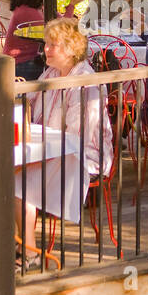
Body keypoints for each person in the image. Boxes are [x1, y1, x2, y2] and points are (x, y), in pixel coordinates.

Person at [16, 19, 113, 268]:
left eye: (52, 45)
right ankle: (22, 245)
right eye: (46, 44)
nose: (45, 49)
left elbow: (76, 137)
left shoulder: (85, 83)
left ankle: (28, 253)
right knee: (8, 171)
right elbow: (33, 109)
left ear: (70, 48)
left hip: (82, 154)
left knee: (20, 181)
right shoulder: (50, 73)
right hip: (49, 147)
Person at [3, 0, 46, 80]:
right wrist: (71, 5)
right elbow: (56, 30)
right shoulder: (28, 12)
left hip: (20, 62)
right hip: (20, 65)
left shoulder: (31, 7)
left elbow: (57, 20)